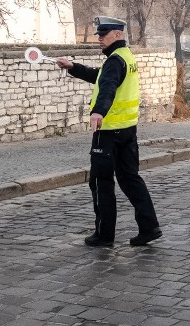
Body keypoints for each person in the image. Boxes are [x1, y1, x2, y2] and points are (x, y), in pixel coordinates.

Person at [57, 16, 161, 248]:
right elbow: (101, 77)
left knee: (101, 181)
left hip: (108, 131)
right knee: (130, 179)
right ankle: (149, 227)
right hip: (127, 130)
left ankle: (104, 235)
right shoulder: (126, 57)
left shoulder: (115, 60)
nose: (99, 39)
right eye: (99, 35)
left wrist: (98, 112)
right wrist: (73, 67)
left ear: (117, 34)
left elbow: (107, 87)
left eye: (103, 35)